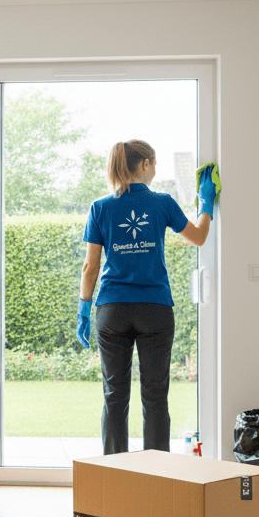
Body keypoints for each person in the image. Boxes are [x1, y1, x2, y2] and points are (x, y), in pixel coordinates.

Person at [76, 140, 216, 454]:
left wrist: (83, 309)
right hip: (155, 310)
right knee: (155, 398)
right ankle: (155, 480)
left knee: (114, 396)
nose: (156, 169)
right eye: (155, 163)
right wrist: (206, 202)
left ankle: (115, 477)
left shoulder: (101, 207)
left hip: (112, 310)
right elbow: (199, 236)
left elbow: (90, 266)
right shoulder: (162, 202)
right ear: (145, 164)